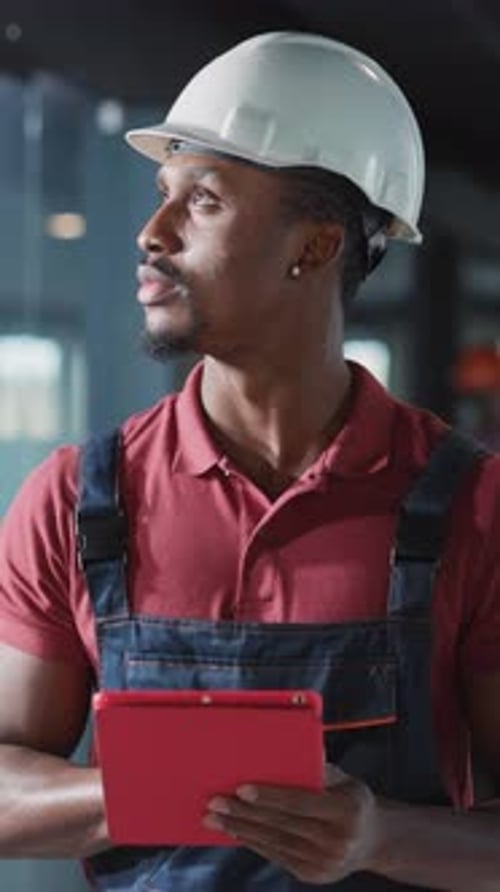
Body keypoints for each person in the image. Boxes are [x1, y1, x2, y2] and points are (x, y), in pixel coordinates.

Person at [0, 31, 499, 892]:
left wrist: (378, 837)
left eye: (203, 201)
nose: (152, 234)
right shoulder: (79, 501)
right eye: (163, 195)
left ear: (313, 247)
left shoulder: (475, 508)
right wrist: (161, 788)